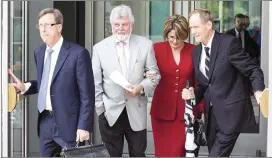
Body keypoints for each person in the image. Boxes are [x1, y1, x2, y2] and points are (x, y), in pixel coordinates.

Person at [8, 8, 95, 157]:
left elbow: (87, 94)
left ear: (59, 27)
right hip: (45, 121)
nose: (43, 29)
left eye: (47, 25)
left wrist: (84, 126)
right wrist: (25, 87)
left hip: (70, 123)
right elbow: (46, 83)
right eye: (40, 25)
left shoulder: (78, 54)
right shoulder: (40, 52)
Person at [182, 8, 265, 157]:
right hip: (211, 118)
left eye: (196, 27)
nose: (192, 32)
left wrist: (258, 92)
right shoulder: (196, 52)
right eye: (191, 27)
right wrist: (194, 93)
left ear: (208, 25)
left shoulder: (228, 43)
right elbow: (205, 85)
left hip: (232, 114)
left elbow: (253, 69)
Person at [92, 4, 160, 157]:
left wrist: (141, 87)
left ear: (132, 24)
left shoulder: (146, 45)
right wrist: (100, 110)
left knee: (138, 154)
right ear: (112, 25)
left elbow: (154, 74)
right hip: (109, 112)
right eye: (117, 24)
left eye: (124, 24)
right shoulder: (99, 48)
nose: (120, 28)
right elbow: (95, 83)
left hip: (136, 110)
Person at [147, 14, 204, 157]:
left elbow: (201, 84)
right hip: (161, 113)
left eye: (179, 37)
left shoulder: (195, 50)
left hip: (185, 114)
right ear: (166, 34)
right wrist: (146, 75)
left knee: (179, 152)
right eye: (171, 37)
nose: (175, 41)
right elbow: (145, 72)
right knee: (162, 153)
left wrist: (201, 110)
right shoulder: (155, 49)